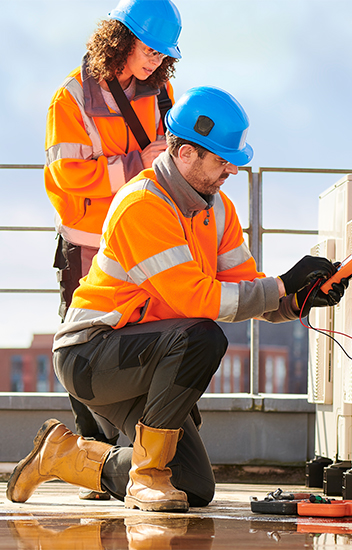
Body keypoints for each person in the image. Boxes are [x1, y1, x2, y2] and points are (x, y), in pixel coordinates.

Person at [7, 86, 349, 512]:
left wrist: (298, 299)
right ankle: (146, 478)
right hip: (92, 355)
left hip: (148, 356)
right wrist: (281, 284)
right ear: (186, 153)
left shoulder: (217, 207)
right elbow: (197, 299)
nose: (232, 171)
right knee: (204, 337)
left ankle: (65, 455)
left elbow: (243, 285)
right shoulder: (141, 205)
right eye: (222, 161)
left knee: (192, 487)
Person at [44, 0, 182, 491]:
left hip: (140, 238)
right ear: (120, 39)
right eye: (148, 49)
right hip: (87, 242)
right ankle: (89, 456)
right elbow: (68, 173)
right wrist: (137, 162)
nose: (155, 60)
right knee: (83, 346)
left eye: (163, 53)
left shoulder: (161, 88)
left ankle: (118, 456)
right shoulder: (72, 97)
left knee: (136, 340)